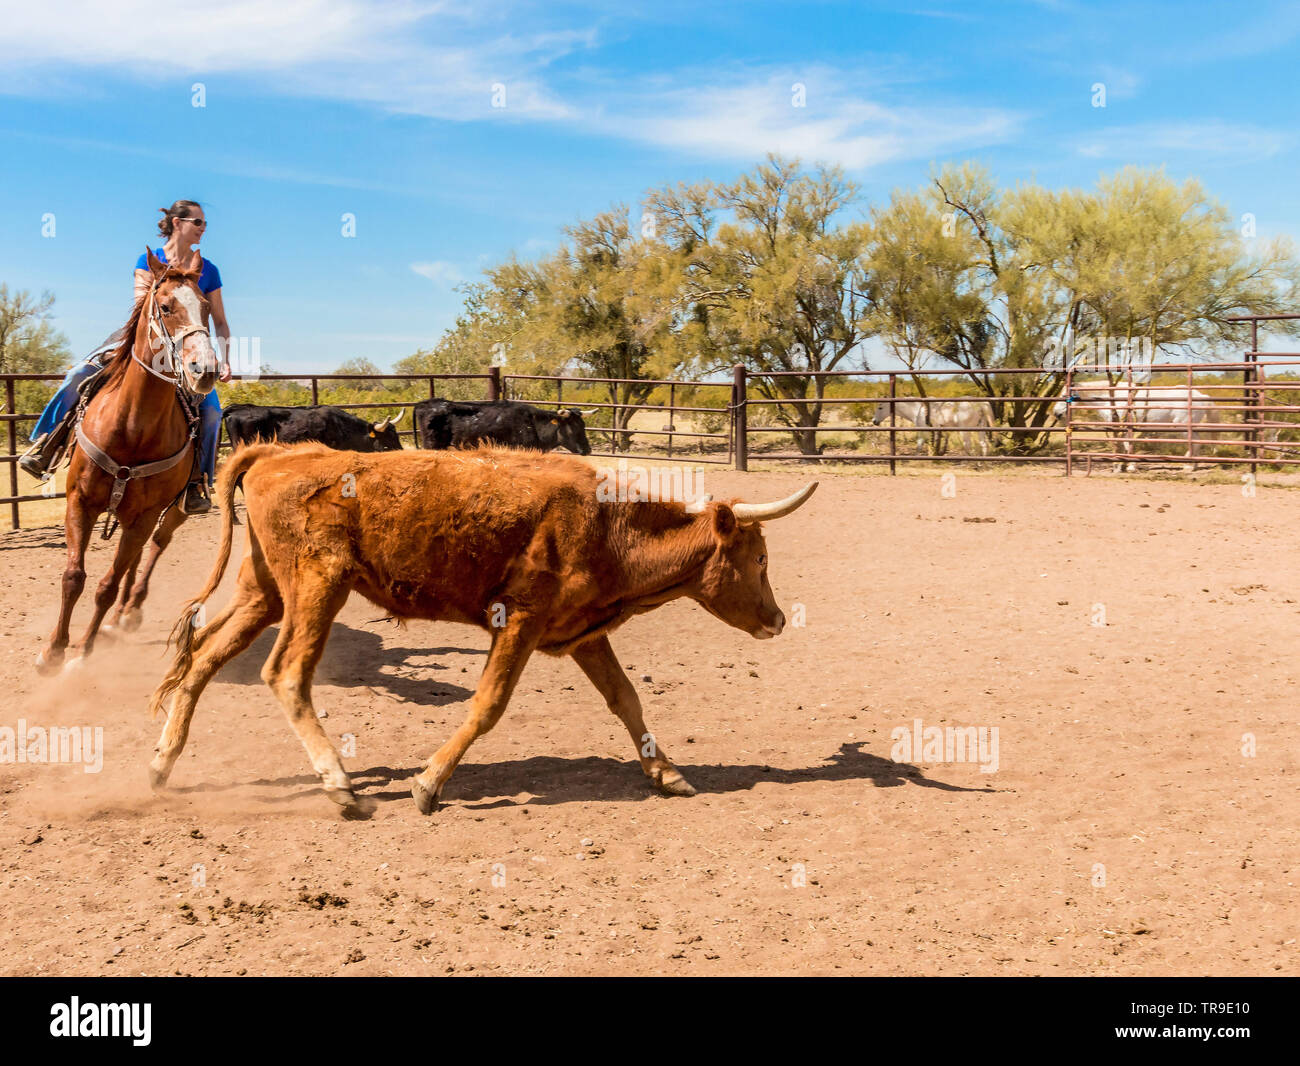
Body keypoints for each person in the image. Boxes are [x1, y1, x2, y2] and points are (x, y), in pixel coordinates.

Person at [19, 200, 232, 514]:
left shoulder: (208, 270)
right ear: (177, 222)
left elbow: (220, 321)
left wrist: (223, 358)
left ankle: (196, 482)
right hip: (142, 338)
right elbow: (142, 311)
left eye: (204, 224)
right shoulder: (149, 261)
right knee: (78, 374)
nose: (203, 228)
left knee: (212, 412)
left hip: (186, 347)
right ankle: (46, 445)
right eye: (198, 222)